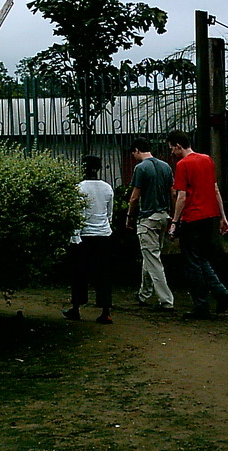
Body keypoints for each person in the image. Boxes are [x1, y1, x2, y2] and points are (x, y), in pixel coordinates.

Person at [165, 129, 228, 319]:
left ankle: (201, 304)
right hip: (209, 216)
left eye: (172, 149)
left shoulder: (183, 165)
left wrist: (175, 222)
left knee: (192, 263)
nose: (172, 153)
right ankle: (220, 291)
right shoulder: (207, 160)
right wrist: (222, 216)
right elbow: (215, 189)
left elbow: (181, 196)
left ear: (178, 145)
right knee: (202, 258)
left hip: (192, 217)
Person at [63, 155, 115, 324]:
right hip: (104, 235)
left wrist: (74, 236)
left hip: (85, 236)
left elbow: (79, 214)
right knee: (104, 273)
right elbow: (109, 214)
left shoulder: (79, 188)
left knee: (79, 273)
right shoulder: (107, 188)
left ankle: (76, 308)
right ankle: (105, 310)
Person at [125, 137, 175, 310]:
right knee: (151, 256)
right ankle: (144, 293)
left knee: (153, 260)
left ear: (137, 150)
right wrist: (173, 217)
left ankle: (166, 300)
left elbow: (135, 197)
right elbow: (173, 193)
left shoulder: (141, 168)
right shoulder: (166, 166)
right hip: (163, 215)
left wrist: (129, 217)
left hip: (147, 218)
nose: (134, 157)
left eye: (133, 154)